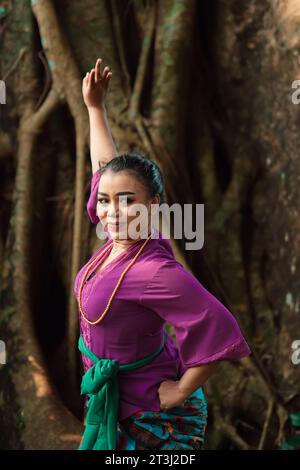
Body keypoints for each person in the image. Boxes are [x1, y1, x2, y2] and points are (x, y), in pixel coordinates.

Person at [74, 58, 252, 450]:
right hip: (113, 398)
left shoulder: (154, 270)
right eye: (105, 201)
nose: (111, 211)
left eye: (127, 202)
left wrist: (180, 391)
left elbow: (219, 324)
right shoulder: (117, 238)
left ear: (153, 205)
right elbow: (105, 167)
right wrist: (95, 109)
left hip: (150, 416)